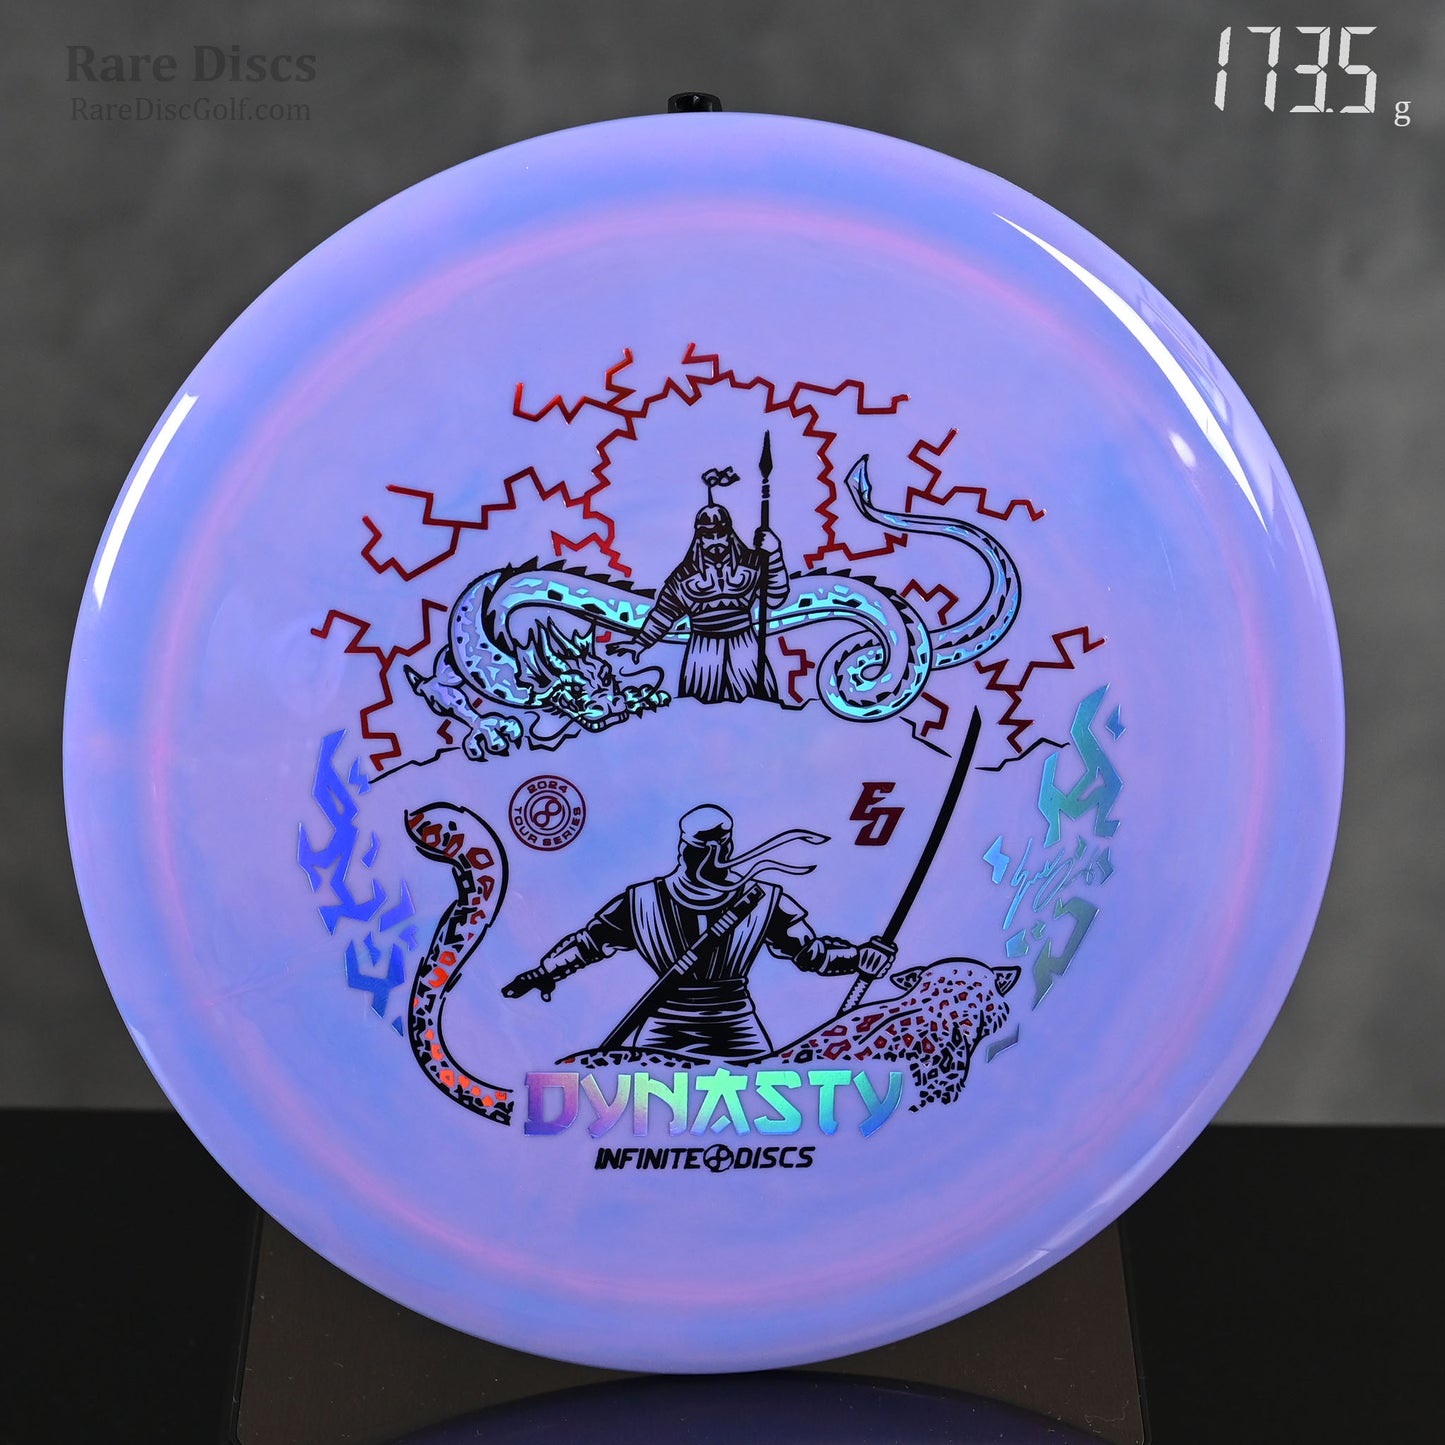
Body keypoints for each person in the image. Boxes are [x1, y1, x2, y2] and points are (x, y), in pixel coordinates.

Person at [501, 805, 895, 1062]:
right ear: (685, 847)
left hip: (737, 1030)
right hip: (662, 1028)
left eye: (712, 847)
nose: (703, 858)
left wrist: (860, 957)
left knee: (759, 1107)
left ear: (726, 846)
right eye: (696, 848)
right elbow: (589, 943)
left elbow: (813, 955)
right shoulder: (641, 902)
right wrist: (544, 972)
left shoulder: (763, 900)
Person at [609, 504, 788, 703]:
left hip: (745, 645)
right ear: (699, 538)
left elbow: (775, 598)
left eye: (720, 535)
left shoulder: (753, 563)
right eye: (709, 536)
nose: (716, 542)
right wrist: (640, 643)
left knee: (756, 704)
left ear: (729, 534)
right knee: (700, 704)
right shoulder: (683, 576)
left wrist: (774, 554)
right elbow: (663, 614)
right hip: (704, 650)